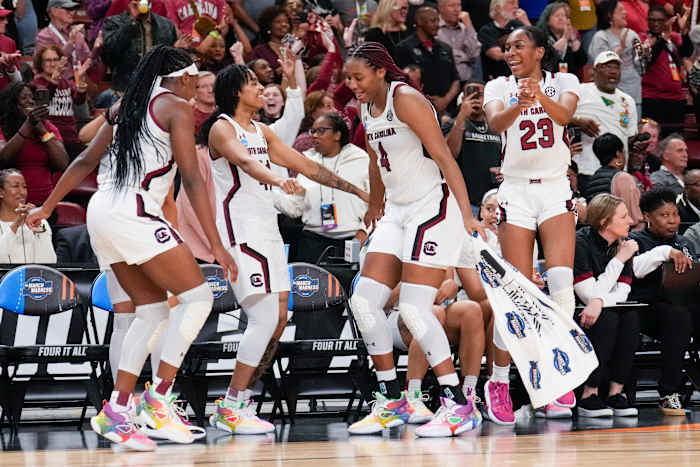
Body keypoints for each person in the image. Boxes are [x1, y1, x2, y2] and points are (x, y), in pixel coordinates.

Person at [26, 45, 237, 451]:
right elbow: (191, 180)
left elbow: (85, 158)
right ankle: (158, 398)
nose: (199, 85)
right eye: (197, 77)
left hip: (101, 212)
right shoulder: (175, 107)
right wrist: (217, 245)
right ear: (183, 77)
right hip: (133, 213)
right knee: (197, 299)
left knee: (154, 310)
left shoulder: (130, 105)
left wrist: (48, 206)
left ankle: (118, 410)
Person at [199, 63, 368, 434]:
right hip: (241, 231)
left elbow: (305, 164)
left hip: (269, 232)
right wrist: (278, 179)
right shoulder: (221, 128)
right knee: (261, 318)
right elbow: (243, 161)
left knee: (276, 320)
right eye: (254, 84)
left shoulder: (261, 131)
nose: (262, 89)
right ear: (235, 91)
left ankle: (241, 401)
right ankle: (230, 405)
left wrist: (357, 192)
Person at [344, 41, 484, 437]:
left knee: (414, 309)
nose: (352, 85)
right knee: (364, 301)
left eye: (359, 76)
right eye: (349, 78)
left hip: (432, 206)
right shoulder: (363, 107)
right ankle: (392, 399)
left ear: (380, 72)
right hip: (397, 210)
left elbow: (443, 156)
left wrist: (468, 215)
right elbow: (375, 159)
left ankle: (459, 406)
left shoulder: (404, 98)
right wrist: (375, 205)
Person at [483, 26, 580, 422]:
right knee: (516, 293)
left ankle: (558, 377)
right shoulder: (497, 87)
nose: (510, 52)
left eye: (519, 46)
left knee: (560, 285)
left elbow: (565, 115)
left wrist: (536, 94)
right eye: (506, 47)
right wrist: (519, 102)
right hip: (516, 190)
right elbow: (496, 124)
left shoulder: (565, 81)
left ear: (540, 51)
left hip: (556, 187)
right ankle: (500, 382)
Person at [629, 188, 695, 416]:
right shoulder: (635, 240)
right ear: (647, 216)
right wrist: (664, 254)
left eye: (675, 214)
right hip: (648, 309)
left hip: (685, 303)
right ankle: (669, 393)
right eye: (664, 215)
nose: (672, 221)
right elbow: (635, 271)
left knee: (685, 313)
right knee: (678, 316)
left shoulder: (685, 242)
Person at [573, 193, 639, 417]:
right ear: (604, 221)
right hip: (577, 313)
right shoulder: (580, 243)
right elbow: (586, 295)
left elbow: (623, 293)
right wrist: (619, 260)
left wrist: (599, 301)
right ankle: (588, 394)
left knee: (630, 318)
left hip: (602, 308)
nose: (630, 221)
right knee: (607, 319)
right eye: (623, 216)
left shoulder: (625, 245)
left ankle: (615, 392)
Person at [280, 113, 369, 265]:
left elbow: (376, 201)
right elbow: (295, 208)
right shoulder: (307, 162)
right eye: (312, 131)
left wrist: (364, 231)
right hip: (312, 241)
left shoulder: (361, 160)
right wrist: (270, 193)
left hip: (352, 240)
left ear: (337, 134)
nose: (314, 136)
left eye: (321, 130)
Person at [570, 51, 637, 186]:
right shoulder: (579, 91)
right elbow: (556, 115)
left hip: (618, 172)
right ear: (593, 72)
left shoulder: (628, 100)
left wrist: (638, 143)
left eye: (616, 67)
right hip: (586, 169)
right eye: (606, 67)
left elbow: (630, 136)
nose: (612, 71)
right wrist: (577, 121)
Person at [0, 82, 69, 206]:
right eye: (24, 98)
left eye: (32, 98)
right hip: (9, 205)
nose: (31, 101)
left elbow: (62, 162)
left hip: (44, 205)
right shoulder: (3, 128)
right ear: (12, 104)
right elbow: (3, 158)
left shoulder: (47, 127)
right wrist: (28, 125)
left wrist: (41, 129)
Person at [444, 80, 502, 216]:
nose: (475, 99)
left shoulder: (497, 126)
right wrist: (462, 116)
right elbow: (449, 155)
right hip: (465, 203)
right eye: (470, 95)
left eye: (480, 95)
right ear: (463, 99)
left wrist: (503, 170)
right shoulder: (451, 125)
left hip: (493, 201)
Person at [394, 6, 461, 115]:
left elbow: (456, 80)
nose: (437, 25)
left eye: (438, 20)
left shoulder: (445, 48)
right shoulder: (404, 48)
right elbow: (401, 82)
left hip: (447, 110)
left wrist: (445, 101)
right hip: (416, 109)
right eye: (432, 21)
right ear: (420, 22)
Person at [101, 0, 177, 92]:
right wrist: (131, 23)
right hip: (125, 89)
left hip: (157, 88)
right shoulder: (113, 22)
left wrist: (177, 49)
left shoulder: (166, 25)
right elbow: (109, 56)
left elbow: (169, 60)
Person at [639, 6, 692, 137]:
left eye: (660, 20)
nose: (656, 23)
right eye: (652, 20)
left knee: (674, 139)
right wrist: (663, 38)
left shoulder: (673, 38)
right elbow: (649, 58)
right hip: (653, 98)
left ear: (666, 21)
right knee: (652, 141)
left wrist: (684, 31)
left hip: (675, 98)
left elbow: (687, 52)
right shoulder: (642, 38)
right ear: (647, 21)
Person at [32, 45, 91, 158]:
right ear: (40, 63)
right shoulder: (37, 83)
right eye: (48, 60)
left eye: (55, 60)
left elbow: (78, 101)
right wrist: (53, 82)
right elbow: (43, 101)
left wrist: (81, 88)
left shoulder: (65, 82)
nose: (53, 64)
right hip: (51, 139)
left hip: (71, 137)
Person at [589, 0, 642, 113]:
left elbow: (640, 65)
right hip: (608, 95)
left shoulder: (632, 35)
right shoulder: (600, 37)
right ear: (610, 15)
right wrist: (620, 49)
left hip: (633, 93)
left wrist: (645, 53)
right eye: (620, 10)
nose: (625, 13)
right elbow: (600, 64)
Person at [584, 133, 643, 229]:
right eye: (624, 152)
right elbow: (635, 219)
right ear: (618, 154)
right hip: (623, 237)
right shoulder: (623, 178)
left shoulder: (591, 180)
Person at [0, 169, 56, 263]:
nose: (22, 192)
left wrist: (38, 227)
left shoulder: (40, 222)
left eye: (24, 187)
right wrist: (16, 223)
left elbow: (50, 261)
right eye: (15, 186)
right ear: (1, 192)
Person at [36, 0, 93, 84]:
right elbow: (52, 64)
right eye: (68, 9)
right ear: (54, 11)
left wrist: (96, 49)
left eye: (73, 9)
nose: (72, 13)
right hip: (56, 86)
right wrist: (71, 43)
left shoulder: (78, 35)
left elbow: (88, 61)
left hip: (78, 84)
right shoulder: (44, 36)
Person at [478, 0, 529, 81]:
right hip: (497, 77)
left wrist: (526, 22)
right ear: (497, 8)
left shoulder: (520, 26)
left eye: (517, 3)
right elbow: (497, 55)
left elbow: (537, 44)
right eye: (511, 3)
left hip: (522, 77)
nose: (516, 7)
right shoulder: (487, 30)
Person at [536, 2, 587, 77]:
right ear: (547, 21)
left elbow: (582, 61)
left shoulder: (572, 36)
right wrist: (564, 38)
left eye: (563, 16)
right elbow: (547, 61)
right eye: (557, 15)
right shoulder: (541, 38)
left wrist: (573, 39)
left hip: (571, 79)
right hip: (550, 80)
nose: (561, 18)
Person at [437, 0, 482, 82]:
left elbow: (475, 54)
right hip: (443, 82)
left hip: (467, 81)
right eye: (452, 6)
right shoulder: (434, 28)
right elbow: (443, 57)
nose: (457, 9)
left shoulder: (466, 29)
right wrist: (465, 57)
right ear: (441, 8)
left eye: (459, 5)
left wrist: (469, 25)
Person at [250, 6, 292, 80]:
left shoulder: (294, 46)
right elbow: (255, 74)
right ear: (268, 26)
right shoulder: (260, 51)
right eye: (278, 22)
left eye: (286, 22)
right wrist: (276, 72)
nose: (284, 24)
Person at [0, 8, 22, 92]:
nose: (6, 22)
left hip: (5, 99)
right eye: (1, 19)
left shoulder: (9, 42)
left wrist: (11, 68)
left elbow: (18, 81)